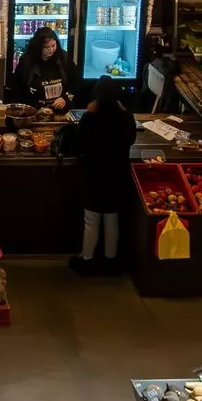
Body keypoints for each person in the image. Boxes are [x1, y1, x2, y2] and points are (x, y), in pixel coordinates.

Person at [63, 77, 136, 274]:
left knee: (91, 219)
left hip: (94, 174)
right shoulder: (126, 117)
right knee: (112, 217)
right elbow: (131, 140)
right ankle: (111, 260)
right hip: (117, 174)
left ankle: (86, 259)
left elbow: (79, 146)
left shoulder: (90, 118)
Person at [11, 26, 80, 113]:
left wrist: (65, 98)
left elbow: (76, 83)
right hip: (34, 112)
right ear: (38, 47)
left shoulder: (63, 58)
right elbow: (17, 88)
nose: (51, 50)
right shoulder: (27, 61)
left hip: (61, 111)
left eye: (53, 45)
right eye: (47, 47)